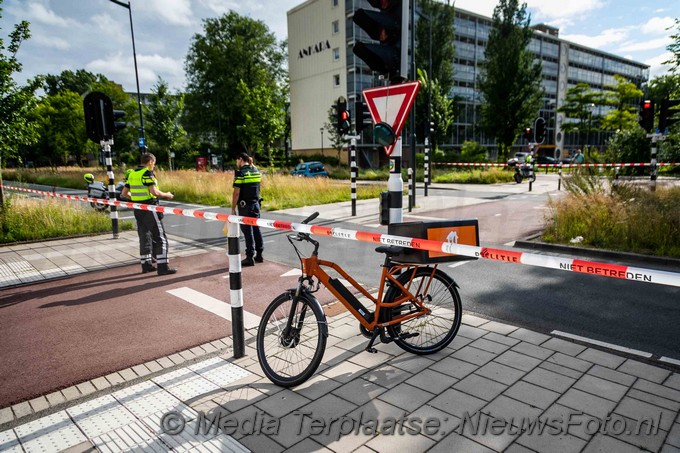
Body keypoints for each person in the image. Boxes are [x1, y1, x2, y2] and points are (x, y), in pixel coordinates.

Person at [121, 153, 177, 275]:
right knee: (160, 237)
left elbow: (124, 193)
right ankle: (163, 267)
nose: (154, 166)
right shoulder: (147, 173)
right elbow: (154, 191)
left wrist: (136, 198)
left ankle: (146, 265)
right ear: (150, 161)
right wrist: (167, 194)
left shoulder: (132, 174)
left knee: (144, 236)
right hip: (150, 208)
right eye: (154, 163)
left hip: (138, 209)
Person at [231, 151, 263, 266]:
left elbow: (236, 193)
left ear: (240, 159)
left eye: (237, 161)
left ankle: (250, 257)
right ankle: (259, 254)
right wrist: (251, 163)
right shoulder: (256, 171)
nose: (236, 163)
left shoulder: (240, 173)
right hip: (256, 204)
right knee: (256, 229)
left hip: (245, 206)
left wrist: (233, 208)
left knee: (247, 231)